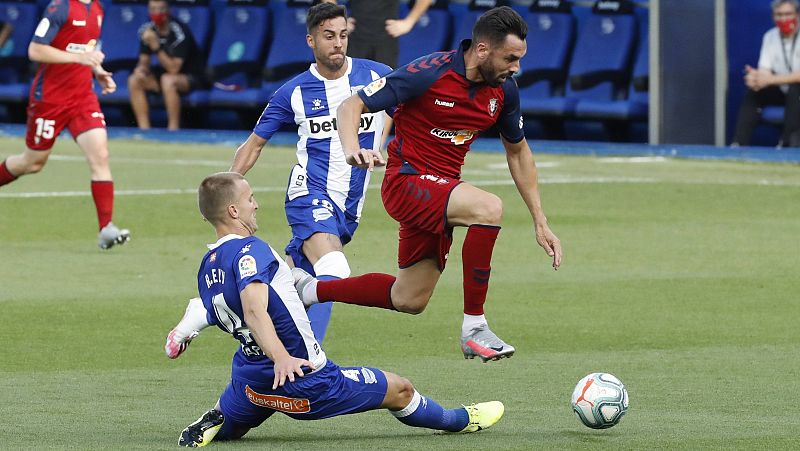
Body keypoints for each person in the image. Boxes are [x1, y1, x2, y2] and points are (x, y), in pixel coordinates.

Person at [293, 6, 563, 363]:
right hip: (406, 183)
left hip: (441, 192)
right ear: (482, 50)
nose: (516, 68)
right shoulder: (428, 72)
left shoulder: (504, 92)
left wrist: (539, 219)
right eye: (510, 58)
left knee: (409, 298)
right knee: (488, 208)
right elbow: (351, 105)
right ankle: (475, 327)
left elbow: (518, 152)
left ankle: (309, 289)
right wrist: (352, 149)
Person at [172, 171, 505, 447]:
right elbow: (254, 309)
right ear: (233, 211)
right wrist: (281, 357)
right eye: (249, 199)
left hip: (251, 379)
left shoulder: (208, 264)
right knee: (400, 389)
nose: (255, 204)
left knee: (234, 428)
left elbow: (222, 312)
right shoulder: (251, 251)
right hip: (303, 377)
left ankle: (219, 417)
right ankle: (460, 420)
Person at [164, 2, 392, 356]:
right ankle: (311, 355)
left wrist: (384, 145)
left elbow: (402, 111)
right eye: (328, 36)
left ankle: (203, 310)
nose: (338, 44)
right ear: (311, 41)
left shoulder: (377, 76)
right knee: (333, 267)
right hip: (309, 193)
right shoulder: (294, 92)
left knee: (284, 284)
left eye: (343, 35)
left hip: (349, 205)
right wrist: (228, 190)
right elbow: (254, 144)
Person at [0, 0, 130, 250]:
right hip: (50, 99)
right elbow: (36, 50)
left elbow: (87, 50)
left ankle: (106, 228)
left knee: (100, 156)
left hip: (82, 98)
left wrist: (98, 71)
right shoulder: (60, 8)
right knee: (33, 162)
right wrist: (79, 57)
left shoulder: (98, 10)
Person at [127, 0, 205, 130]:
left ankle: (172, 130)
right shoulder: (148, 30)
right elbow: (144, 61)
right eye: (153, 9)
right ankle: (144, 130)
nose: (157, 13)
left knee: (168, 80)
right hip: (163, 75)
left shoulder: (180, 32)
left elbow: (174, 69)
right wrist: (141, 69)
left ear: (169, 10)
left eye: (161, 9)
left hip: (191, 77)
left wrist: (156, 46)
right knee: (134, 80)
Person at [733, 0, 800, 147]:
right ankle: (738, 145)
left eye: (788, 14)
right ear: (773, 17)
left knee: (796, 89)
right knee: (754, 92)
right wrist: (756, 79)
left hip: (797, 93)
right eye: (779, 15)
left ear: (797, 15)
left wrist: (769, 79)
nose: (783, 19)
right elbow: (765, 71)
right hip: (781, 91)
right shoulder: (770, 37)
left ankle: (786, 144)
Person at [322, 0, 433, 68]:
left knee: (383, 90)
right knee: (349, 89)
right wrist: (338, 18)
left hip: (386, 38)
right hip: (354, 38)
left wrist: (409, 22)